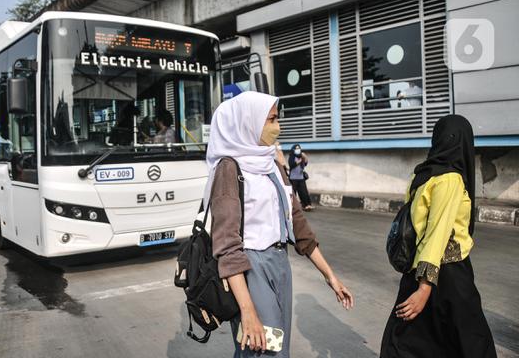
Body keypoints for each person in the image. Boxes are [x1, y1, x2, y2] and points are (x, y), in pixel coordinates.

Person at [205, 91, 354, 357]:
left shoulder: (273, 163)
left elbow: (297, 224)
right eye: (271, 120)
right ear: (248, 122)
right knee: (264, 349)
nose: (278, 127)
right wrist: (248, 310)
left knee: (276, 346)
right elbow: (226, 246)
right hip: (250, 268)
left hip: (279, 263)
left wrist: (330, 276)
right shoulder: (229, 168)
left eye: (277, 119)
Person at [380, 115, 496, 358]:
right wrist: (425, 288)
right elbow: (437, 234)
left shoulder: (421, 175)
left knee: (407, 342)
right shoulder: (450, 179)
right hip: (449, 277)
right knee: (470, 342)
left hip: (414, 270)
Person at [287, 144, 313, 211]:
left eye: (299, 148)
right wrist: (299, 161)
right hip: (293, 178)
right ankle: (292, 206)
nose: (298, 150)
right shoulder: (291, 157)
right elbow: (291, 165)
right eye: (296, 148)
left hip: (301, 178)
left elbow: (306, 163)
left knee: (304, 192)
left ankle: (306, 205)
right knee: (293, 193)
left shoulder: (302, 157)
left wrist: (305, 156)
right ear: (293, 150)